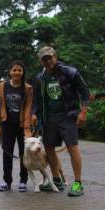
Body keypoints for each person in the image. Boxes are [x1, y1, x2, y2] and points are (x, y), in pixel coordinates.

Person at [32, 46, 90, 197]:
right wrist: (34, 114)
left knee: (72, 147)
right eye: (44, 59)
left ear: (55, 57)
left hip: (67, 115)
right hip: (49, 118)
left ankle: (77, 183)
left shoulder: (70, 72)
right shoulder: (40, 78)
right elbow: (37, 100)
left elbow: (84, 91)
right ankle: (56, 179)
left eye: (49, 57)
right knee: (49, 148)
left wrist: (83, 112)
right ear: (41, 61)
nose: (48, 61)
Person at [0, 60, 33, 192]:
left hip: (22, 125)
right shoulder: (2, 86)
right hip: (7, 124)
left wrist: (27, 127)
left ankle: (23, 180)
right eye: (14, 70)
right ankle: (7, 180)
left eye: (19, 70)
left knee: (24, 153)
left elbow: (28, 109)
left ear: (23, 73)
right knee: (7, 153)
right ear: (10, 72)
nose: (17, 72)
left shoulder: (28, 88)